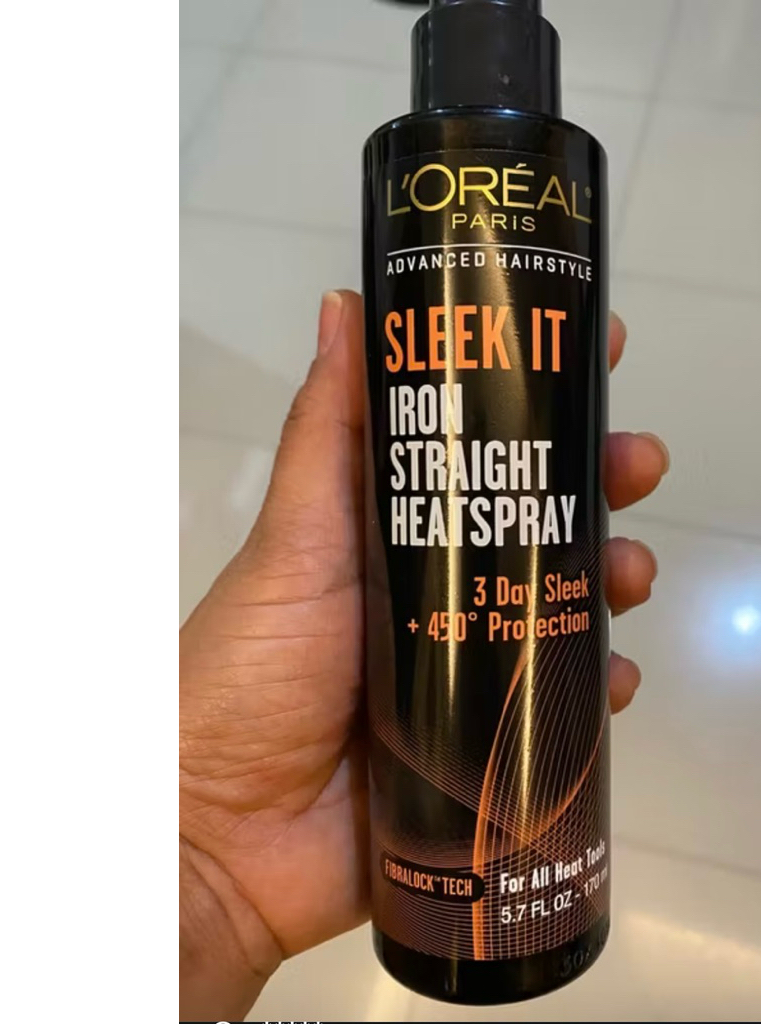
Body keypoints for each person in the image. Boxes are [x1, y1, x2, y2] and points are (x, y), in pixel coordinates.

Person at [180, 291, 669, 1019]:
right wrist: (198, 860)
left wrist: (202, 874)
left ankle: (535, 891)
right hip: (401, 814)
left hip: (549, 875)